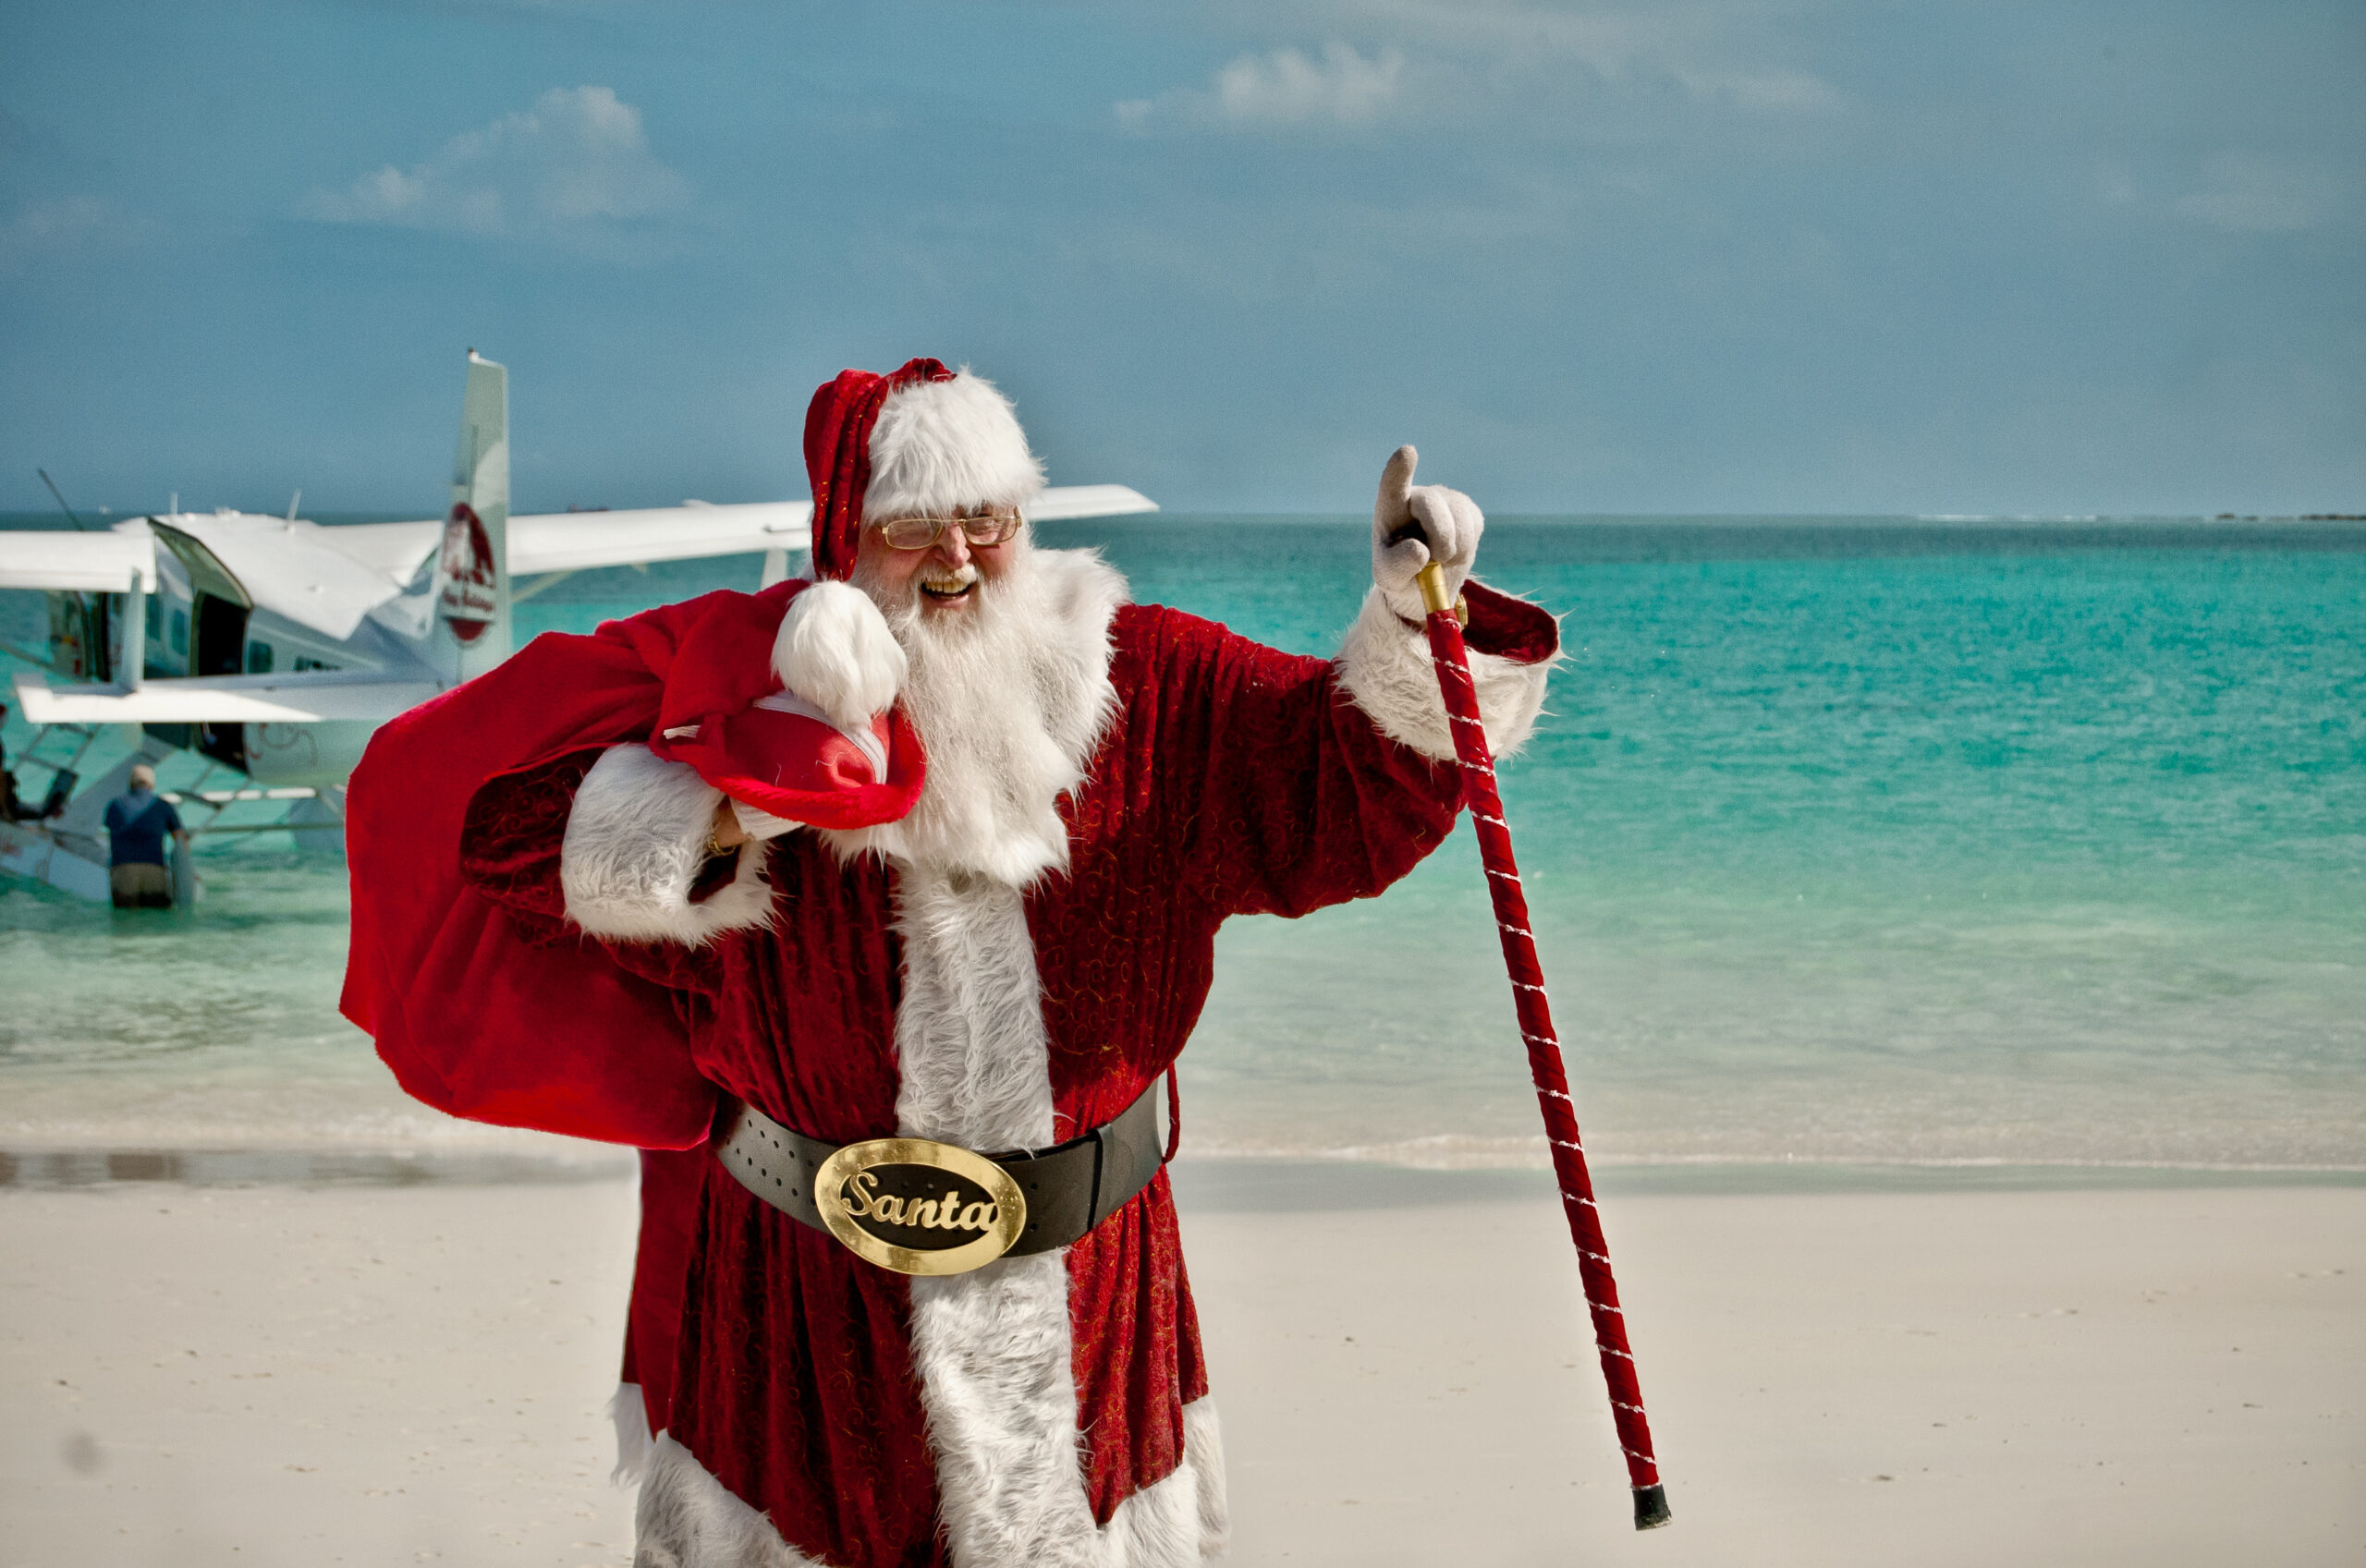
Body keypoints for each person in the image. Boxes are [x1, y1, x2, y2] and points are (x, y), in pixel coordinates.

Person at [340, 359, 1558, 1568]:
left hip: (1093, 1318)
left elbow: (1339, 793)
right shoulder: (724, 692)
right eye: (912, 525)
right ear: (843, 542)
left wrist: (1413, 622)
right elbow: (498, 846)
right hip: (792, 1325)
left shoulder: (1150, 684)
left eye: (988, 520)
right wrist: (734, 806)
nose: (958, 557)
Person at [102, 764, 185, 908]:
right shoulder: (163, 805)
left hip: (124, 870)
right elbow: (180, 840)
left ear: (131, 782)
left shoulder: (115, 804)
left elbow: (112, 830)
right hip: (154, 870)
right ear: (152, 783)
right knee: (157, 922)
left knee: (125, 923)